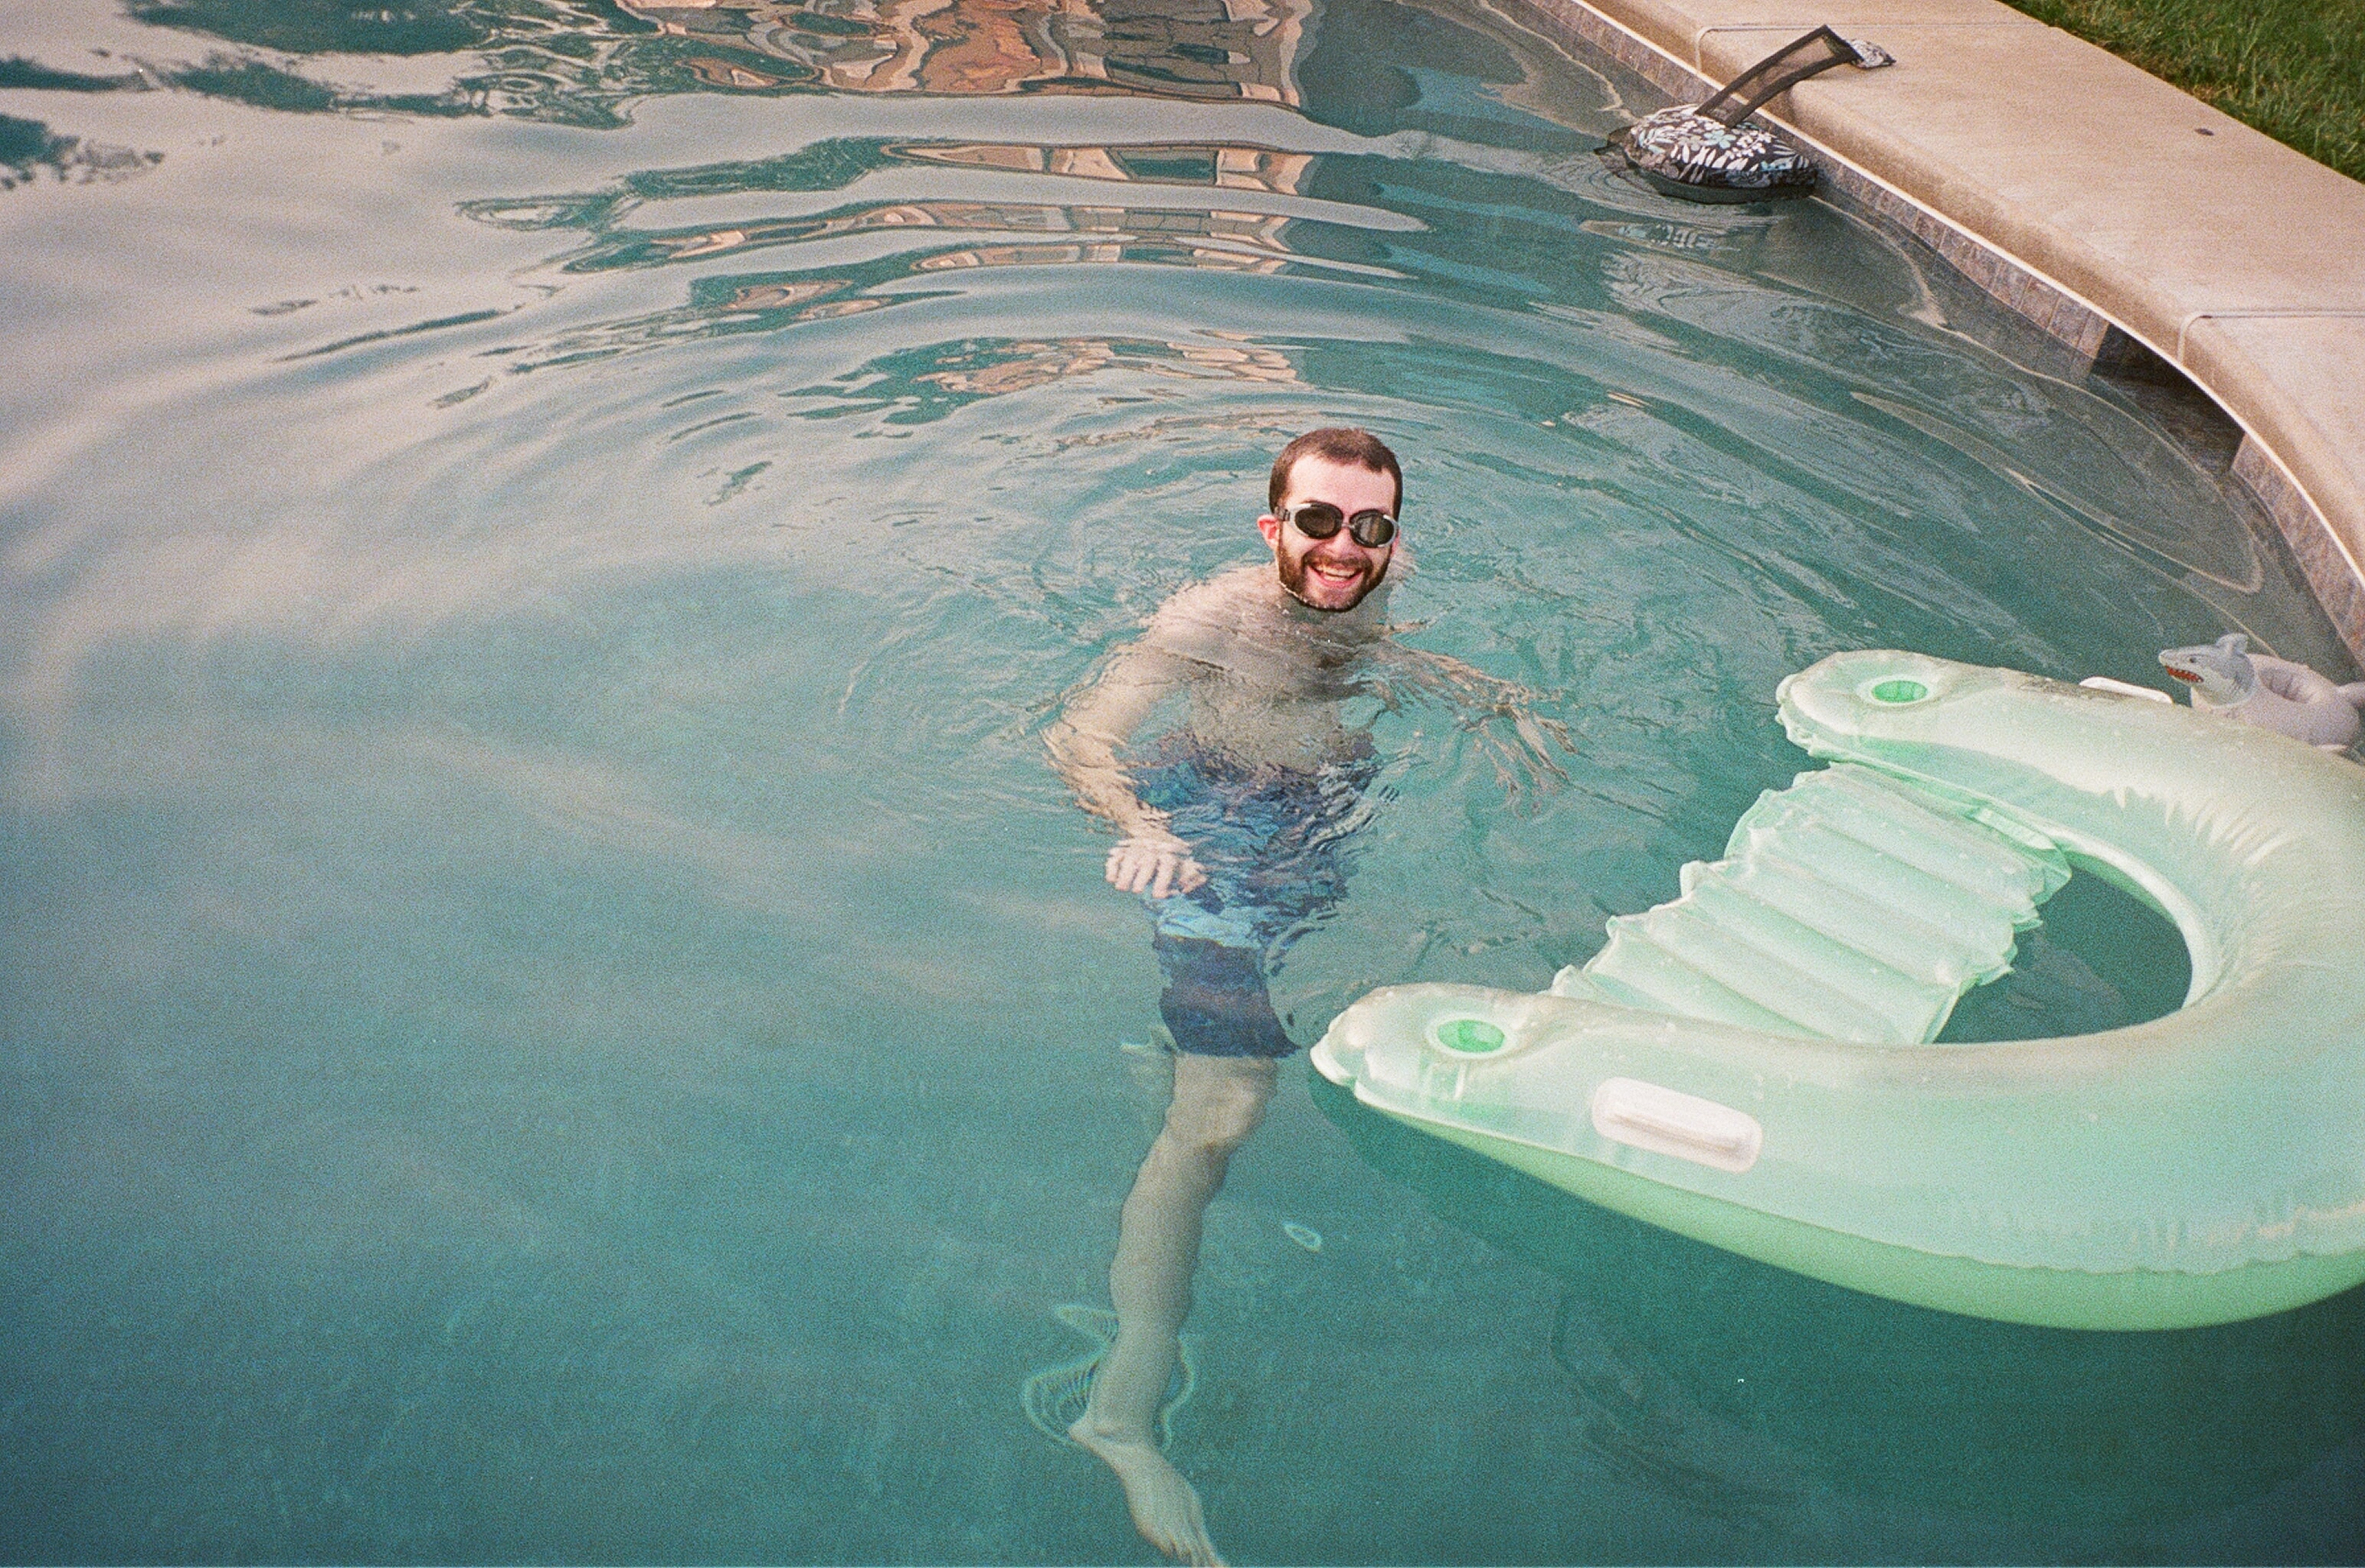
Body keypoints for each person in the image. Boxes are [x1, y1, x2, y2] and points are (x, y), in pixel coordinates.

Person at [1042, 429, 1565, 1565]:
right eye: (1318, 523)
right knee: (1225, 1114)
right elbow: (1080, 737)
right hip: (1214, 830)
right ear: (1272, 526)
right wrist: (1142, 832)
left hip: (1314, 828)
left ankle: (1166, 1068)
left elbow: (1382, 660)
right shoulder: (1211, 619)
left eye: (1370, 527)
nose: (1345, 548)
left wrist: (1496, 701)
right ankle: (1121, 1414)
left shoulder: (1370, 584)